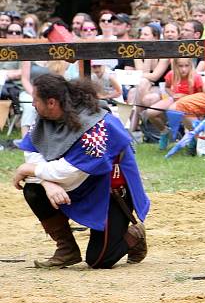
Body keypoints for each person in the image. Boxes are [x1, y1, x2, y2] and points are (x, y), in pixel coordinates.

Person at [12, 74, 149, 268]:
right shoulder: (44, 117)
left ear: (51, 102)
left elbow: (72, 171)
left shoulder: (98, 127)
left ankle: (134, 235)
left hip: (109, 191)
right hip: (75, 183)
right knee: (34, 190)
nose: (33, 104)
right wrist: (46, 182)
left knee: (99, 260)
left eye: (35, 100)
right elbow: (34, 153)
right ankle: (66, 249)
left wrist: (30, 170)